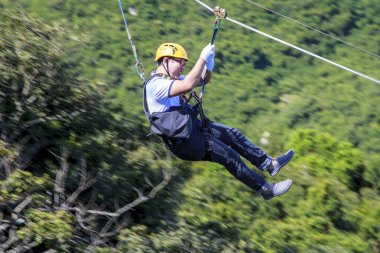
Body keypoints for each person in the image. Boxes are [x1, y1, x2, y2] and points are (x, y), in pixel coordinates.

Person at [143, 42, 294, 200]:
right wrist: (202, 58)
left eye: (184, 64)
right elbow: (188, 84)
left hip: (192, 130)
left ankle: (269, 164)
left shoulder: (170, 80)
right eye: (180, 62)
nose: (183, 67)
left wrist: (208, 66)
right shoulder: (156, 86)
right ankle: (265, 189)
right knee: (229, 156)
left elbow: (202, 80)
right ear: (166, 61)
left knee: (231, 134)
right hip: (187, 143)